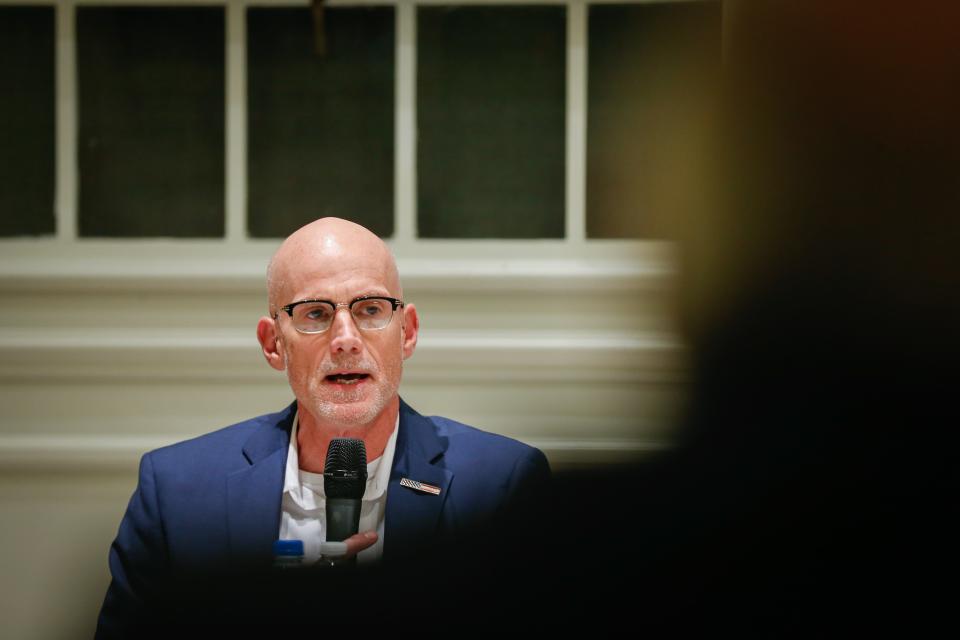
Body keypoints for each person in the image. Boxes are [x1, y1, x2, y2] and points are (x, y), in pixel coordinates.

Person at [95, 217, 550, 637]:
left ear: (407, 332)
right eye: (315, 313)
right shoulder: (177, 494)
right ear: (273, 344)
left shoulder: (499, 489)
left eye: (370, 309)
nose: (346, 339)